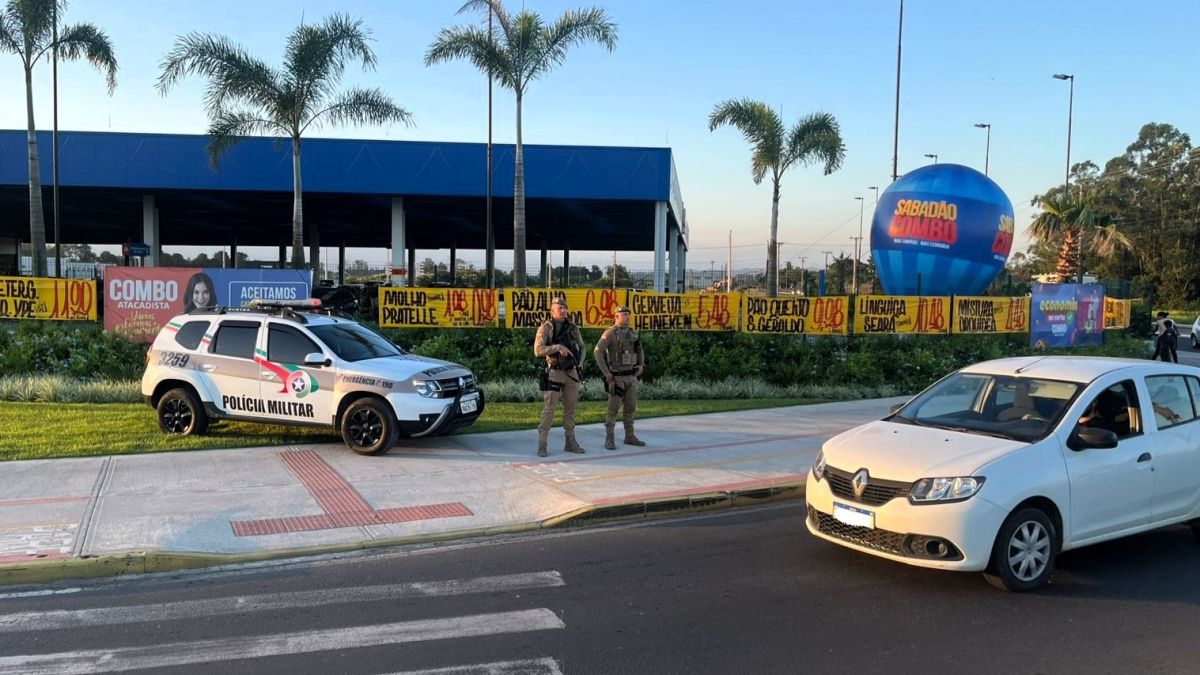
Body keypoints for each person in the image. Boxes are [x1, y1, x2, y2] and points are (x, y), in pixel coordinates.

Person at [533, 296, 587, 457]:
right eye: (559, 308)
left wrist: (580, 362)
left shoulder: (572, 328)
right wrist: (557, 347)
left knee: (570, 410)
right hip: (555, 372)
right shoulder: (546, 328)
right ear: (552, 310)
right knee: (549, 410)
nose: (563, 311)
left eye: (564, 308)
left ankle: (570, 442)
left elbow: (582, 347)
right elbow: (538, 350)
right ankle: (542, 444)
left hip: (571, 373)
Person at [593, 305, 645, 450]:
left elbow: (640, 350)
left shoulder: (633, 333)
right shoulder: (610, 333)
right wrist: (606, 372)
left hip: (631, 376)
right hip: (616, 378)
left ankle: (630, 435)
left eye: (628, 315)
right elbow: (598, 352)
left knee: (630, 407)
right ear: (616, 317)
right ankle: (609, 438)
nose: (627, 317)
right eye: (624, 315)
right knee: (613, 409)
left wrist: (641, 365)